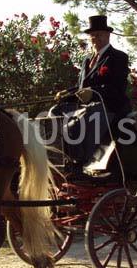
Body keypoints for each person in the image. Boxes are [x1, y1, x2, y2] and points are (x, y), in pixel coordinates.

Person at [53, 15, 131, 167]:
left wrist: (94, 93)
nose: (96, 38)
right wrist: (66, 93)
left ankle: (80, 162)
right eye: (93, 35)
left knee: (79, 121)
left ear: (108, 35)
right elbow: (81, 87)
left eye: (100, 34)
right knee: (55, 112)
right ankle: (59, 158)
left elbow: (118, 88)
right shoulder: (87, 60)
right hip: (85, 107)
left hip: (109, 108)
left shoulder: (118, 57)